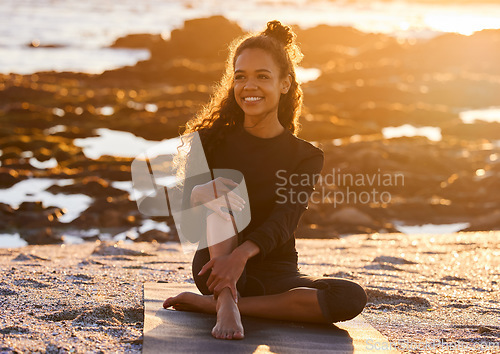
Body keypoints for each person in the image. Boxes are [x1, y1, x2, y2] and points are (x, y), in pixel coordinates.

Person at [163, 20, 367, 340]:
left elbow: (285, 220)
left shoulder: (305, 156)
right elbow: (184, 209)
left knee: (349, 298)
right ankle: (225, 299)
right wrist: (197, 194)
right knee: (219, 194)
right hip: (216, 264)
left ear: (285, 84)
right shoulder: (209, 141)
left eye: (262, 76)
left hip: (275, 271)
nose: (249, 86)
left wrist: (241, 256)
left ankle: (216, 305)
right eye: (240, 76)